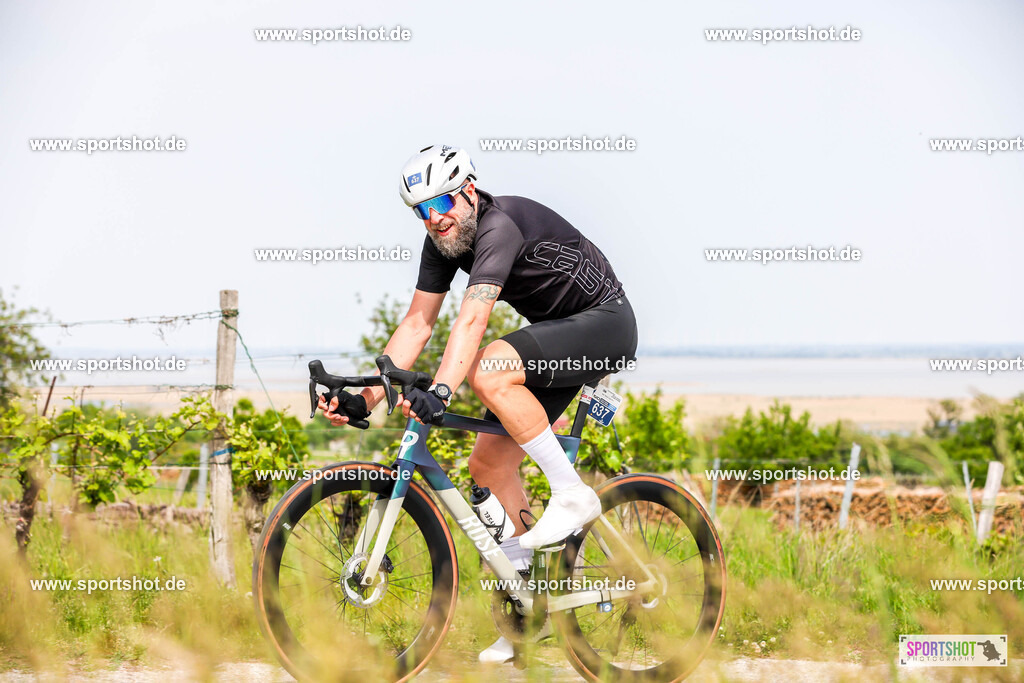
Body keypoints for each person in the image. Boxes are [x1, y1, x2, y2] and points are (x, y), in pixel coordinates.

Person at [320, 144, 637, 662]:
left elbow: (472, 320)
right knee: (487, 465)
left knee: (490, 367)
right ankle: (527, 610)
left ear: (468, 190)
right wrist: (366, 398)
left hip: (605, 324)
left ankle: (571, 493)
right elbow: (417, 325)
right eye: (420, 211)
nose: (433, 219)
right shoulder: (442, 242)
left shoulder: (498, 226)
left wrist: (441, 392)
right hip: (558, 336)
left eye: (440, 203)